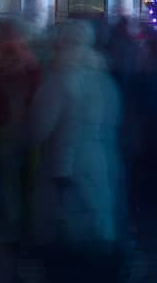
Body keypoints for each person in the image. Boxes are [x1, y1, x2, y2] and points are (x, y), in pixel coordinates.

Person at [29, 21, 125, 283]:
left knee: (66, 231)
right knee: (97, 223)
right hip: (102, 159)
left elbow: (40, 126)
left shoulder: (60, 78)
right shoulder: (104, 78)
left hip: (65, 163)